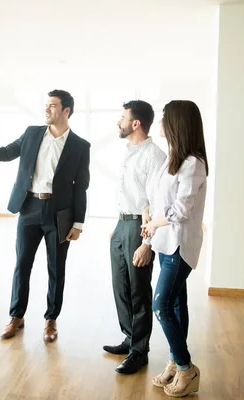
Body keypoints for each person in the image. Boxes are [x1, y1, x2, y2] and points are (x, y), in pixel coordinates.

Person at [0, 89, 90, 343]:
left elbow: (81, 186)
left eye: (52, 106)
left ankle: (50, 320)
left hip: (60, 214)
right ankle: (16, 317)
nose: (47, 109)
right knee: (22, 264)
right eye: (46, 105)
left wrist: (78, 223)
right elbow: (7, 152)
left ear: (66, 111)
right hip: (29, 208)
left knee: (56, 269)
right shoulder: (32, 133)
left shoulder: (80, 145)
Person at [141, 100, 208, 397]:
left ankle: (186, 367)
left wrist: (154, 222)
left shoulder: (193, 163)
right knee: (177, 304)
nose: (160, 122)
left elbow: (180, 210)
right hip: (166, 243)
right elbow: (158, 198)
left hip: (180, 245)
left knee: (161, 306)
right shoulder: (172, 159)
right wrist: (148, 212)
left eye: (165, 117)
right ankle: (174, 361)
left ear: (177, 123)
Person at [103, 100, 166, 374]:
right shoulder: (129, 152)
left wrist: (146, 243)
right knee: (121, 288)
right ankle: (129, 339)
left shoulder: (154, 156)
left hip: (140, 230)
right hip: (122, 225)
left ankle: (140, 351)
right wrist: (118, 227)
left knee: (139, 291)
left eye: (123, 117)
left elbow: (156, 204)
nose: (119, 122)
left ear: (136, 123)